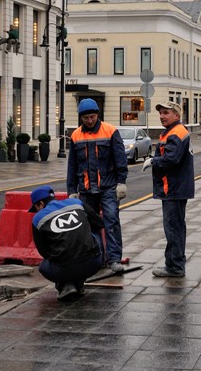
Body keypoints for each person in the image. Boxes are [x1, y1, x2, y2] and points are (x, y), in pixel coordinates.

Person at [66, 98, 129, 273]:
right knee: (91, 225)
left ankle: (114, 259)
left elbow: (120, 159)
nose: (89, 121)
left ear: (97, 115)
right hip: (86, 190)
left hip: (108, 187)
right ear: (81, 118)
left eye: (92, 117)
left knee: (111, 221)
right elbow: (72, 166)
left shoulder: (110, 131)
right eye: (86, 118)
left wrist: (121, 182)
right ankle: (98, 258)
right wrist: (72, 190)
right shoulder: (76, 135)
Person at [144, 101, 194, 277]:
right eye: (161, 113)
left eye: (166, 113)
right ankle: (175, 263)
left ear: (176, 115)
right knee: (176, 227)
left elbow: (171, 159)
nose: (162, 116)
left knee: (173, 228)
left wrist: (153, 161)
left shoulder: (176, 133)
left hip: (172, 188)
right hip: (175, 187)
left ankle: (174, 267)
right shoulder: (173, 131)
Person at [30, 186, 104, 301]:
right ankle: (78, 282)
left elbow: (44, 252)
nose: (36, 211)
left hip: (63, 269)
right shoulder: (76, 203)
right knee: (94, 232)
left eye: (36, 208)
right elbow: (100, 223)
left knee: (43, 266)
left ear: (41, 204)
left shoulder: (38, 218)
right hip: (94, 263)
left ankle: (65, 285)